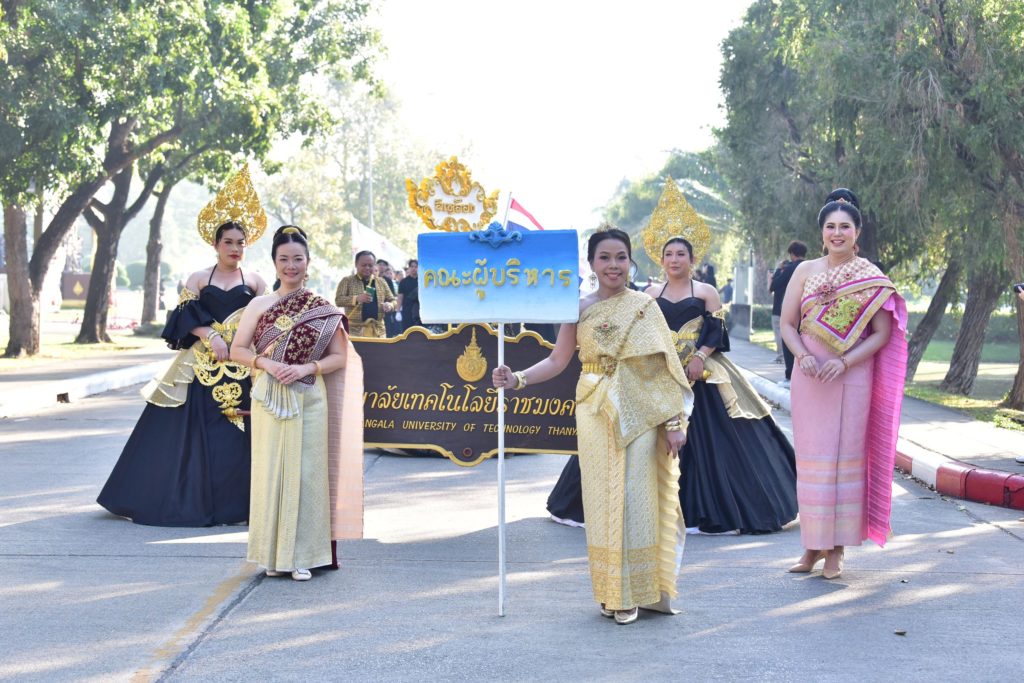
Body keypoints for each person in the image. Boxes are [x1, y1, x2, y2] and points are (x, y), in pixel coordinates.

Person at [493, 226, 692, 625]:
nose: (613, 265)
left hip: (639, 411)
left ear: (630, 261)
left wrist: (674, 421)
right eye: (604, 258)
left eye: (620, 257)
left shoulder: (645, 306)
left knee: (635, 497)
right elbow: (557, 361)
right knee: (601, 500)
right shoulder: (578, 308)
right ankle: (610, 591)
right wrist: (516, 379)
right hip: (594, 410)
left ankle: (636, 591)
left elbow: (665, 368)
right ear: (591, 263)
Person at [97, 167, 268, 526]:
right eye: (228, 242)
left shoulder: (255, 281)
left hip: (242, 367)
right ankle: (187, 498)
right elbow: (183, 319)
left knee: (239, 434)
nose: (235, 249)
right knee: (194, 434)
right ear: (215, 244)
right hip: (202, 366)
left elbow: (264, 324)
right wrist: (211, 335)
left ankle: (241, 506)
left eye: (241, 243)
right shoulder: (198, 278)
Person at [781, 199, 907, 579]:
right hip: (810, 377)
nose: (837, 233)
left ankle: (836, 550)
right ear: (822, 232)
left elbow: (882, 334)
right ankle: (811, 545)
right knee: (812, 462)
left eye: (845, 227)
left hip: (851, 377)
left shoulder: (870, 276)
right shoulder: (805, 270)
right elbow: (788, 324)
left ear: (857, 232)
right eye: (831, 226)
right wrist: (802, 355)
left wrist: (845, 361)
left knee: (843, 461)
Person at [231, 225, 365, 581]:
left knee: (307, 473)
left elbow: (339, 357)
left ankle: (304, 555)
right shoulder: (258, 305)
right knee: (271, 471)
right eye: (284, 259)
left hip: (309, 397)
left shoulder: (322, 307)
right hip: (269, 397)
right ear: (275, 263)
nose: (291, 266)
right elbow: (237, 349)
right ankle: (272, 556)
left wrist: (307, 367)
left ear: (308, 262)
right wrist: (266, 364)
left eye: (297, 259)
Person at [334, 250, 397, 337]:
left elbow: (393, 300)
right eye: (364, 265)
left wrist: (390, 305)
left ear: (374, 266)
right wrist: (356, 298)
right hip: (354, 331)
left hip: (378, 331)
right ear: (356, 264)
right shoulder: (347, 281)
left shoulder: (381, 282)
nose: (367, 268)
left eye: (370, 265)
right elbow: (338, 300)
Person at [770, 241, 808, 383]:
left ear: (792, 254)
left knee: (788, 340)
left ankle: (790, 374)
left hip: (789, 309)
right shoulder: (810, 267)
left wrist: (778, 270)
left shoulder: (790, 268)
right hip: (806, 310)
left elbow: (774, 285)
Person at [376, 259, 401, 337]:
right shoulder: (370, 279)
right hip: (373, 310)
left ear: (386, 267)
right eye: (380, 264)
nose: (381, 266)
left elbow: (392, 297)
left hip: (385, 310)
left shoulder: (388, 280)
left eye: (383, 265)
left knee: (387, 331)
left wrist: (389, 305)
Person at [396, 258, 421, 331]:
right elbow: (400, 297)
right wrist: (398, 311)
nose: (414, 268)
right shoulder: (403, 282)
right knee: (407, 331)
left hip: (419, 310)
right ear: (409, 268)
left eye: (416, 266)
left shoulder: (422, 281)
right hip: (407, 310)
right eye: (412, 266)